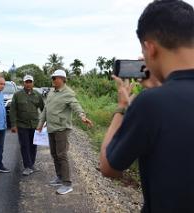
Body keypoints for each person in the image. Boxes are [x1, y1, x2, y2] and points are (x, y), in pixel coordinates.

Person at [100, 1, 194, 212]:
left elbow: (109, 167)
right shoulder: (157, 99)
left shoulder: (151, 103)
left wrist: (122, 106)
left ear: (150, 48)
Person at [37, 69, 93, 195]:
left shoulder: (68, 93)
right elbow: (46, 109)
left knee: (62, 155)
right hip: (51, 127)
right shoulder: (51, 92)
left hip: (61, 128)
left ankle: (67, 184)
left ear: (62, 79)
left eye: (54, 78)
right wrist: (40, 124)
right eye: (52, 78)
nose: (52, 80)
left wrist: (82, 116)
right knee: (54, 154)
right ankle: (59, 177)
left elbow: (76, 105)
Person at [10, 75, 44, 176]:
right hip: (22, 125)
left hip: (34, 125)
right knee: (24, 146)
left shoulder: (37, 95)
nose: (28, 84)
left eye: (30, 82)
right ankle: (27, 166)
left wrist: (44, 122)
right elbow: (13, 110)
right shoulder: (17, 95)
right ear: (23, 83)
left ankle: (32, 164)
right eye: (26, 82)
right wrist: (13, 124)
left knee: (33, 145)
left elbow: (43, 109)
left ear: (33, 83)